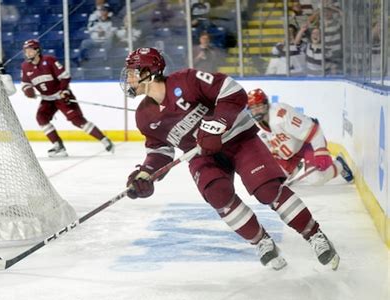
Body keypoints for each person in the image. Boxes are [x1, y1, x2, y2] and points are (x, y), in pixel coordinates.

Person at [121, 47, 340, 270]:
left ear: (150, 71)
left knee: (267, 189)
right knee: (217, 195)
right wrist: (145, 174)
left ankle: (313, 234)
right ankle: (261, 241)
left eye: (132, 71)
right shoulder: (144, 116)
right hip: (203, 156)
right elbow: (160, 151)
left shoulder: (185, 80)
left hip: (239, 138)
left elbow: (232, 91)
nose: (127, 77)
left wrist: (216, 126)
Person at [21, 39, 114, 157]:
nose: (27, 53)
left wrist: (64, 91)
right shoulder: (25, 66)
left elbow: (65, 76)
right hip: (47, 99)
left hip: (61, 95)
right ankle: (58, 146)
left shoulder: (49, 60)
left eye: (30, 50)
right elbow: (25, 83)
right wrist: (27, 90)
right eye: (26, 51)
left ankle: (104, 139)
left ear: (37, 50)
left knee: (77, 120)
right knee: (41, 117)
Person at [247, 88, 354, 185]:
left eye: (258, 106)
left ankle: (340, 164)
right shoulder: (258, 122)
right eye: (252, 108)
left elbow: (313, 130)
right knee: (274, 179)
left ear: (266, 105)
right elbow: (268, 138)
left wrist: (321, 151)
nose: (256, 111)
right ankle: (295, 167)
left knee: (315, 179)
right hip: (291, 151)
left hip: (307, 144)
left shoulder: (280, 115)